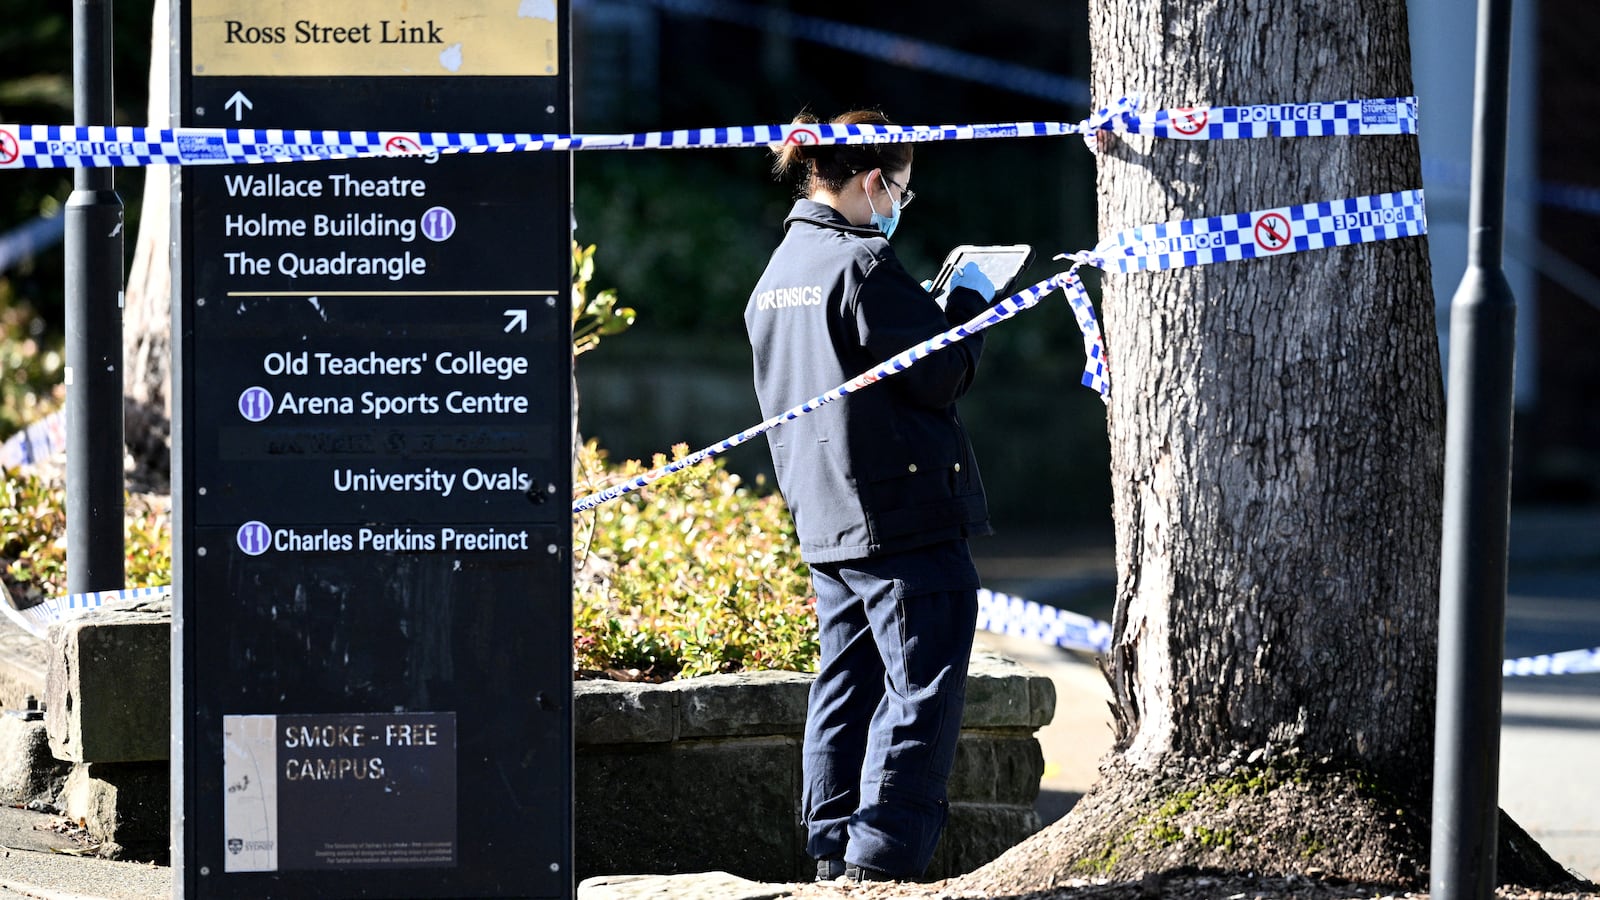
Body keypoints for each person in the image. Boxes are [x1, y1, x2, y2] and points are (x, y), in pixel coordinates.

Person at [743, 108, 1000, 883]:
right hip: (902, 512)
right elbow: (938, 373)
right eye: (901, 191)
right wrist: (968, 304)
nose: (898, 208)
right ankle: (884, 861)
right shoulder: (858, 264)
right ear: (869, 181)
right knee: (921, 686)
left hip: (826, 516)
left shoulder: (778, 272)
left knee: (846, 684)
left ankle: (832, 853)